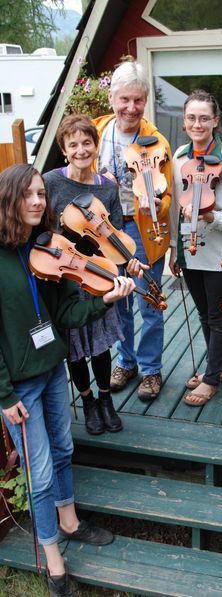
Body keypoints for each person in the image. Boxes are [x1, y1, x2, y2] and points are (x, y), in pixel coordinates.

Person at [0, 164, 138, 596]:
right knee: (38, 474)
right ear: (9, 198)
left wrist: (107, 301)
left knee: (63, 449)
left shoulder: (46, 248)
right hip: (18, 387)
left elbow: (65, 316)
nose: (38, 201)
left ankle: (70, 521)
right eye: (28, 195)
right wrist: (3, 395)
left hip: (52, 370)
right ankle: (53, 559)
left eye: (41, 194)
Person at [93, 57, 173, 400]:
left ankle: (151, 370)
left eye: (138, 100)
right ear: (112, 99)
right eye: (124, 99)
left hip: (142, 230)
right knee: (119, 301)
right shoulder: (95, 132)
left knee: (150, 302)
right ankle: (126, 362)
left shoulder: (157, 142)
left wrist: (157, 204)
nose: (131, 107)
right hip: (106, 231)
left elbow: (168, 194)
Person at [44, 114, 124, 436]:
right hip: (65, 276)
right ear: (64, 149)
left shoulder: (107, 187)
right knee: (75, 347)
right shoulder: (50, 182)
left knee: (101, 345)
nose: (80, 150)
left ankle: (106, 400)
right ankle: (88, 400)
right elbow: (43, 229)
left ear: (95, 145)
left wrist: (126, 261)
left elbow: (115, 232)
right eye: (73, 144)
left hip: (97, 274)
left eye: (86, 142)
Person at [169, 89, 222, 405]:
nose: (196, 124)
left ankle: (211, 378)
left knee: (217, 315)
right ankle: (217, 367)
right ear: (184, 122)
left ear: (215, 121)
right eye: (191, 118)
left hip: (220, 252)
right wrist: (174, 246)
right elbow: (176, 206)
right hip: (189, 248)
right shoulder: (178, 157)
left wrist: (210, 216)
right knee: (203, 313)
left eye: (203, 118)